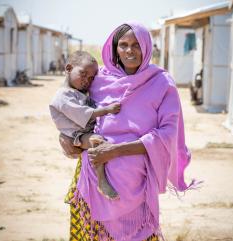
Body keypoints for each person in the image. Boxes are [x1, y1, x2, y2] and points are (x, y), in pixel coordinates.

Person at [59, 22, 195, 241]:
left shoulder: (162, 83)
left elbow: (168, 134)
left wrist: (115, 151)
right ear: (115, 49)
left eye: (136, 45)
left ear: (147, 47)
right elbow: (68, 110)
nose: (129, 51)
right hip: (91, 177)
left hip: (135, 183)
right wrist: (66, 137)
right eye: (123, 45)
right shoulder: (98, 80)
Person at [49, 50, 121, 200]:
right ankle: (102, 180)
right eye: (83, 74)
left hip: (84, 131)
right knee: (97, 142)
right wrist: (107, 110)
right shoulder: (62, 96)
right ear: (68, 69)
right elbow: (82, 113)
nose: (87, 80)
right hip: (77, 136)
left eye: (92, 78)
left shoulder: (79, 92)